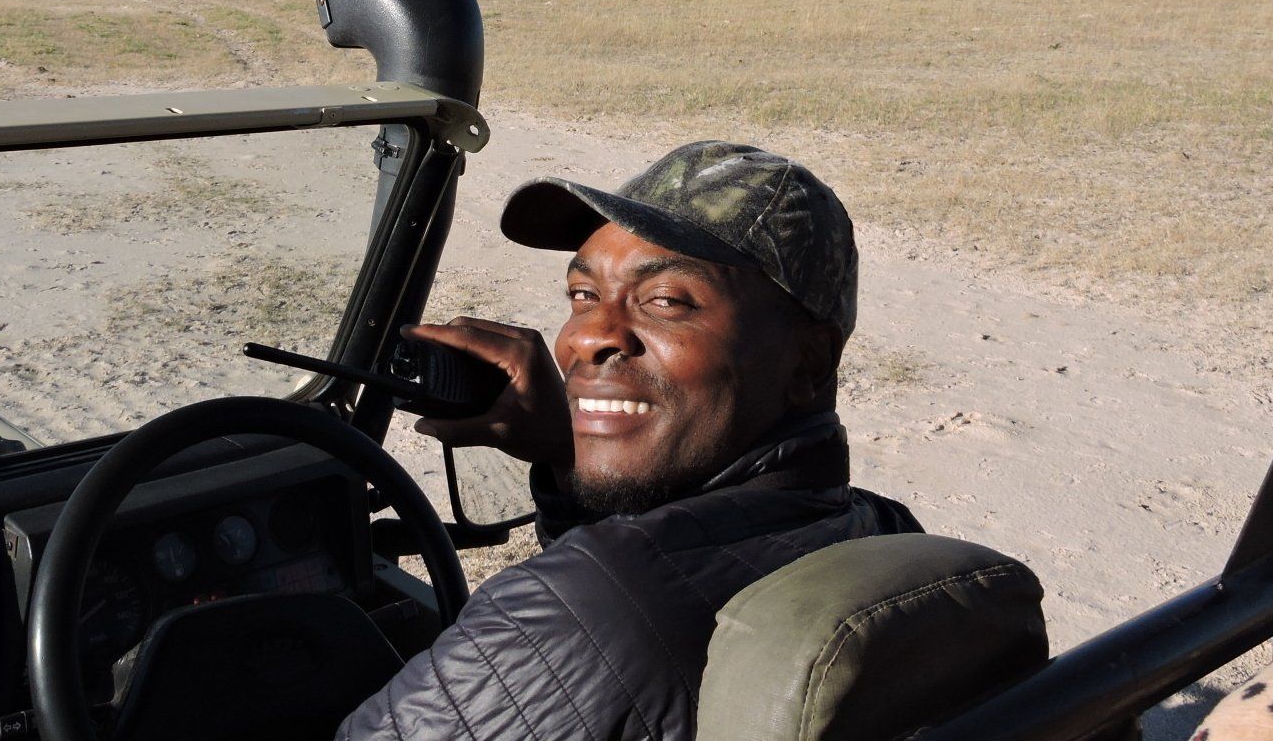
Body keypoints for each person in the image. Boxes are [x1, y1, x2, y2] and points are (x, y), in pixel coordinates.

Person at [337, 140, 922, 741]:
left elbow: (620, 613)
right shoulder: (888, 535)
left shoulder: (568, 612)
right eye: (583, 295)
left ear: (808, 361)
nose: (587, 337)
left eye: (666, 301)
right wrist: (567, 461)